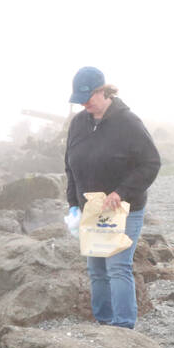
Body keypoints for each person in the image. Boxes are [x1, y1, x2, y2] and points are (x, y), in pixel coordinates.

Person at [64, 66, 160, 329]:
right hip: (92, 209)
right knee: (96, 269)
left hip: (124, 208)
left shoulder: (128, 122)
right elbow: (70, 166)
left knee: (117, 266)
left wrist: (121, 192)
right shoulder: (79, 124)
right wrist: (73, 204)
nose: (85, 104)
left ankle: (123, 327)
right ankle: (103, 323)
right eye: (80, 99)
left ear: (103, 91)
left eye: (89, 97)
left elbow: (151, 163)